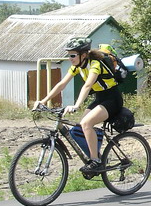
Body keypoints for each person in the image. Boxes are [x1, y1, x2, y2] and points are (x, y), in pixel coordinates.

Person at [34, 36, 123, 173]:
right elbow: (61, 84)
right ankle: (97, 149)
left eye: (73, 55)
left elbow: (87, 85)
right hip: (99, 98)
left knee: (87, 123)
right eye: (69, 55)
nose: (70, 58)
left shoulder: (95, 64)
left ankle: (96, 161)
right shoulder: (77, 66)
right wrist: (43, 101)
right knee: (81, 127)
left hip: (112, 99)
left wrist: (76, 105)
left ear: (84, 55)